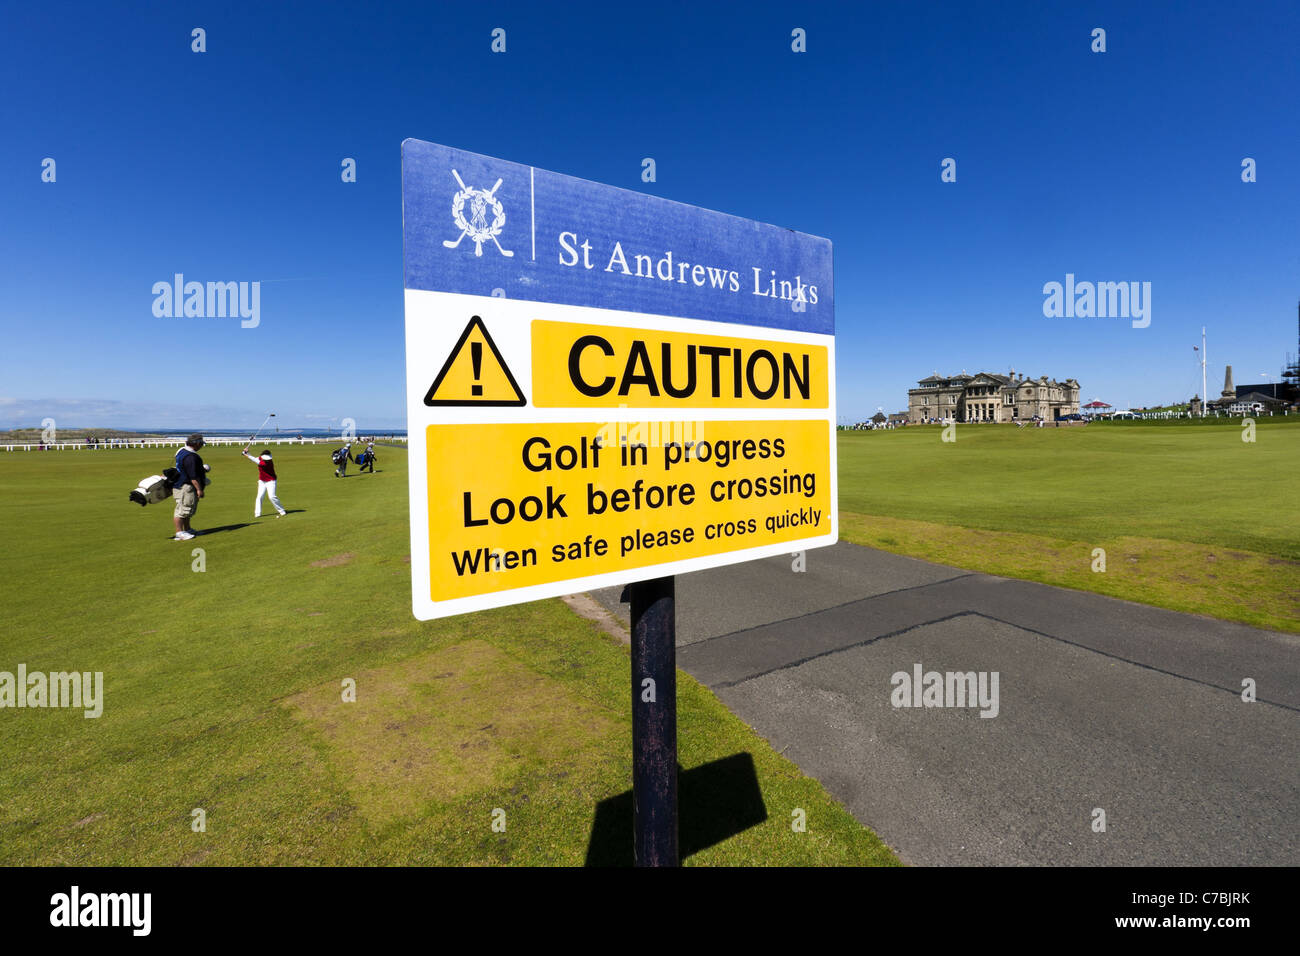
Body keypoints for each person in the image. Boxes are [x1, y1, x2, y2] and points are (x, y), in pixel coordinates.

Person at [171, 433, 207, 541]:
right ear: (196, 444)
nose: (201, 446)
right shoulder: (191, 456)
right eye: (200, 444)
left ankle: (187, 529)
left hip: (182, 484)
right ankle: (179, 532)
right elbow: (192, 476)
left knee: (188, 509)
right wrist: (199, 489)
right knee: (182, 510)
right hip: (186, 486)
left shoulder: (182, 451)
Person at [242, 446, 286, 518]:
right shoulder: (260, 458)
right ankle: (257, 513)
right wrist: (247, 452)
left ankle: (282, 511)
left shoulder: (266, 463)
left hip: (271, 481)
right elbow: (255, 458)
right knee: (259, 496)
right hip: (262, 481)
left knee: (272, 496)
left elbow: (254, 459)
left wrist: (245, 453)